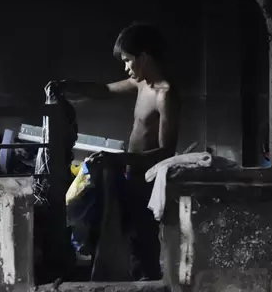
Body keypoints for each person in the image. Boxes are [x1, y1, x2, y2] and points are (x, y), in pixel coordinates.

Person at [48, 22, 180, 281]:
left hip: (147, 183)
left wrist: (117, 159)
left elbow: (166, 152)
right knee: (128, 241)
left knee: (143, 245)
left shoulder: (165, 94)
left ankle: (149, 284)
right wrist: (67, 85)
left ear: (144, 57)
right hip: (130, 177)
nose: (126, 67)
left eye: (128, 61)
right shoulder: (141, 83)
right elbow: (105, 90)